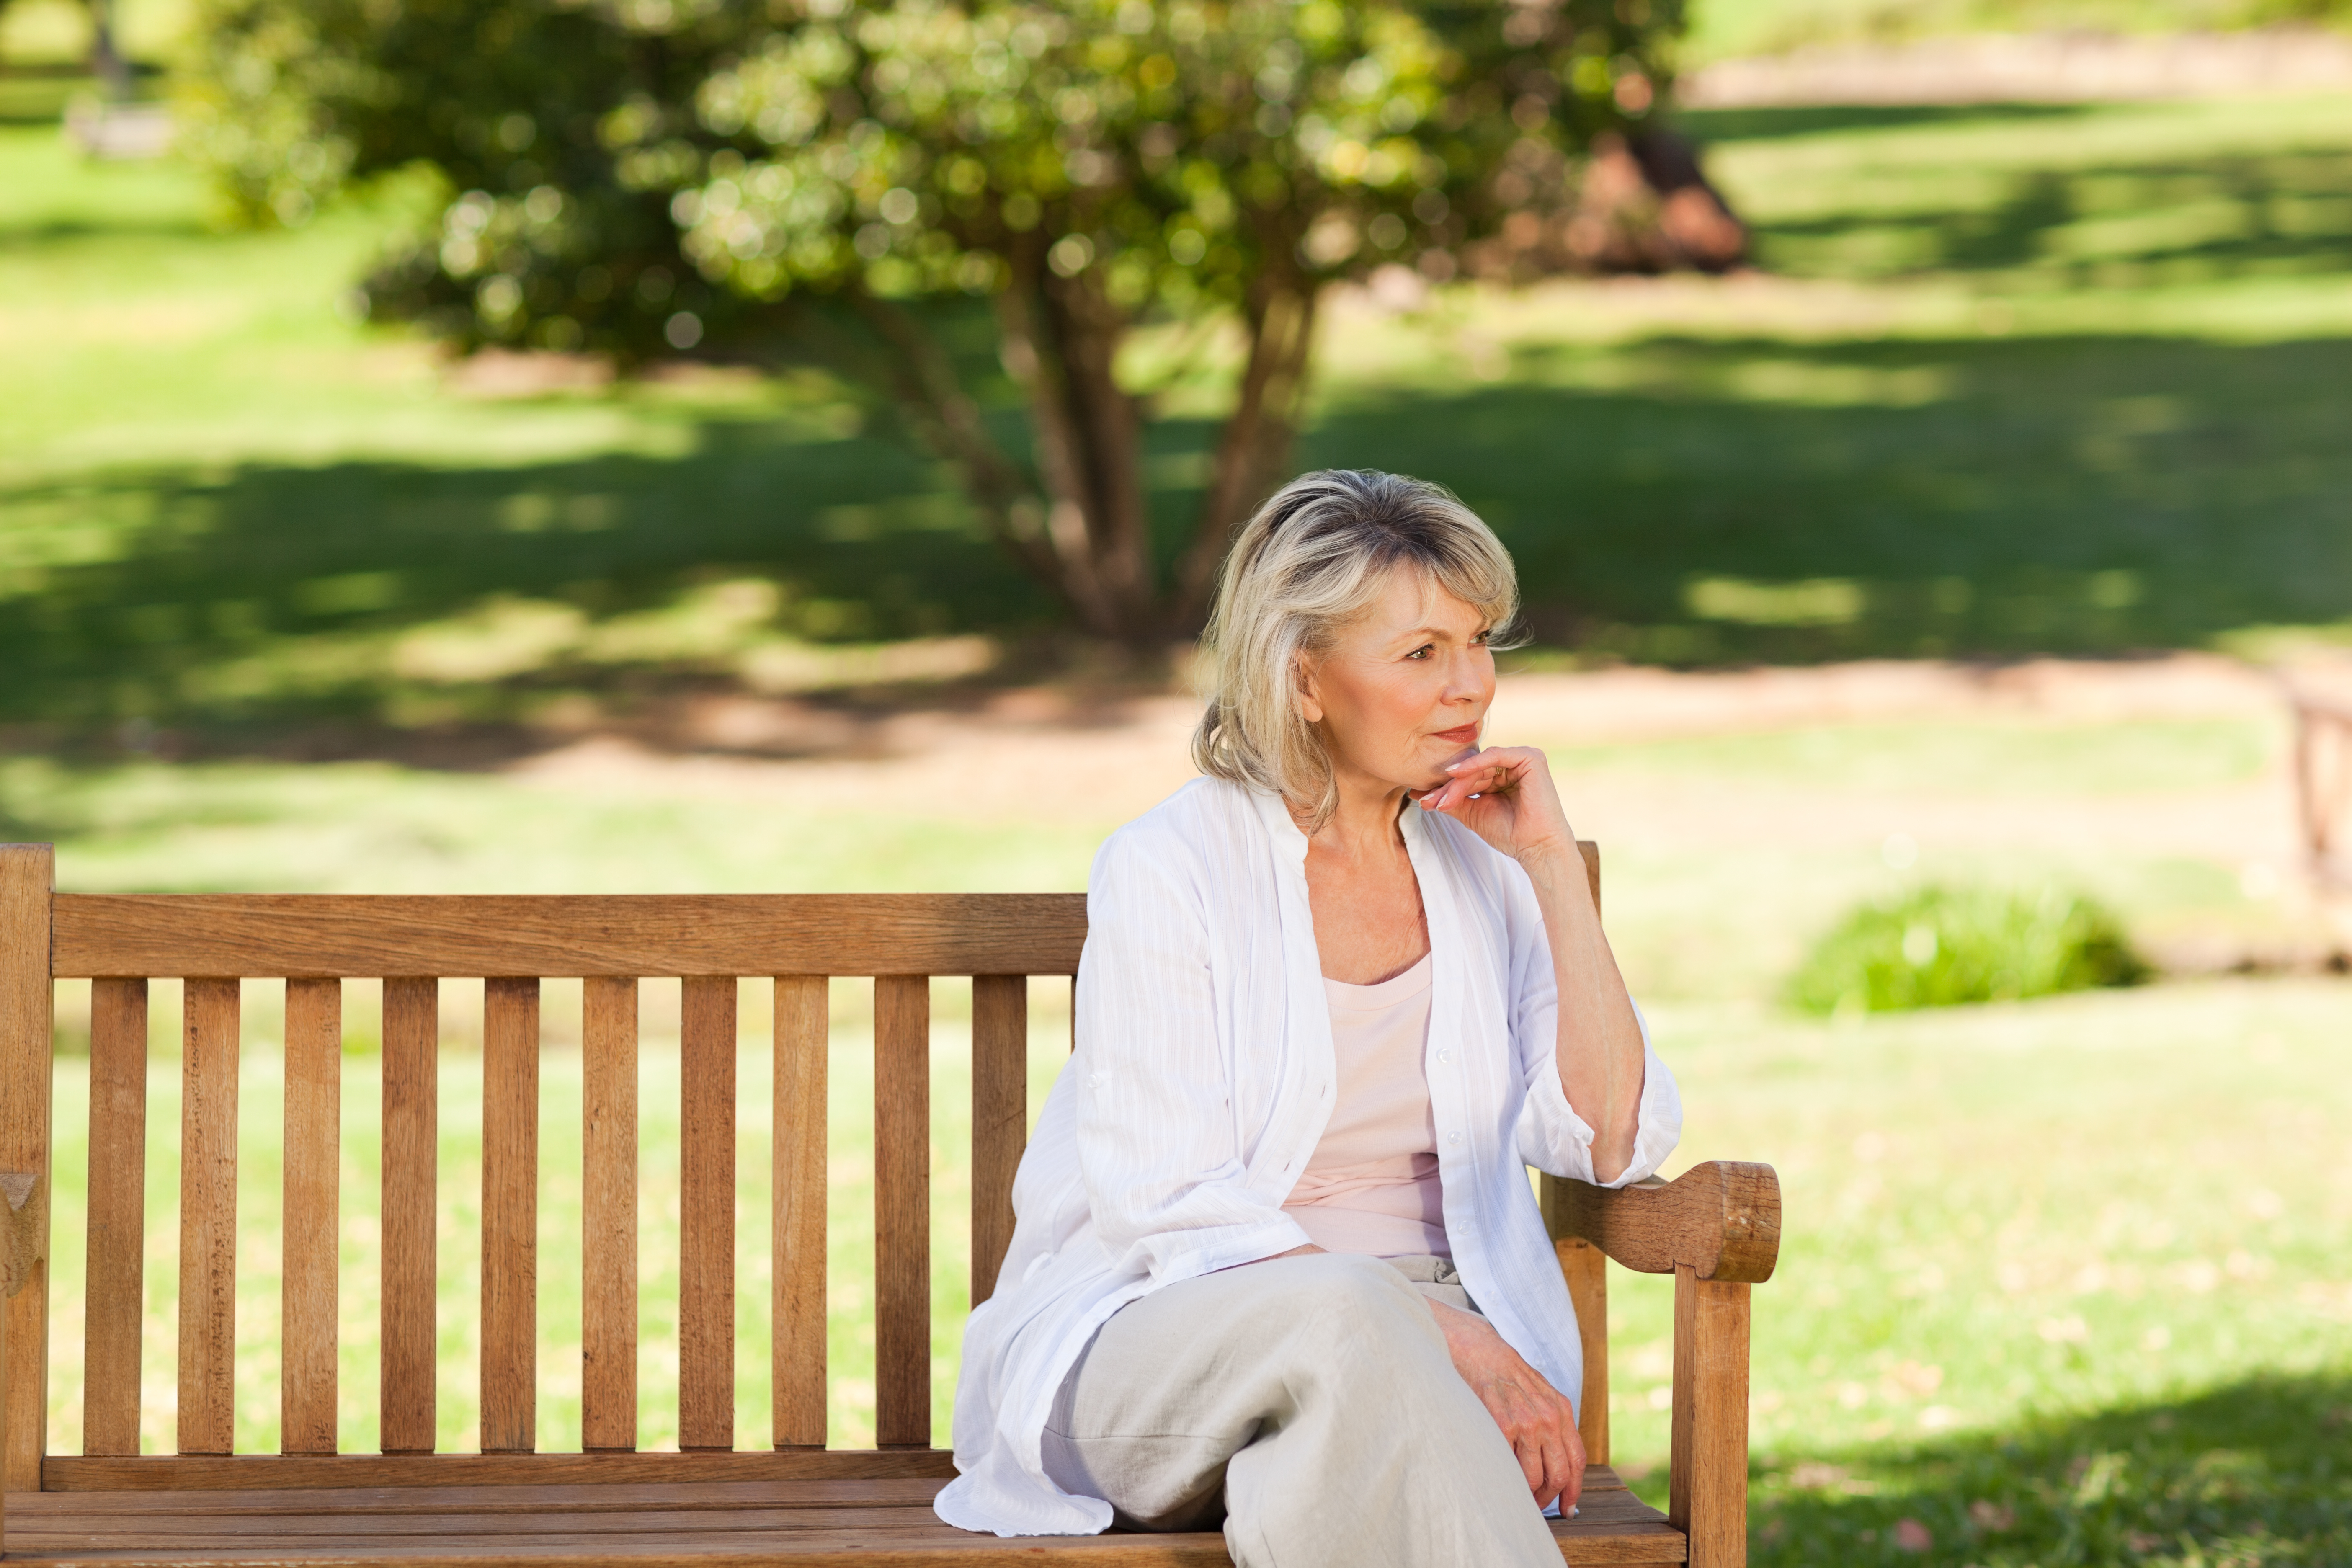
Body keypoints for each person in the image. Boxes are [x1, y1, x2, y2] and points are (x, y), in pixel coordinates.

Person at [936, 469, 1682, 1565]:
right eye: (1422, 653)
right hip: (1163, 1337)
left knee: (1324, 1469)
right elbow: (1169, 1201)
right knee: (1346, 1317)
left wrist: (1553, 871)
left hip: (1426, 1341)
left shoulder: (1489, 868)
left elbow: (1610, 1138)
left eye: (1481, 643)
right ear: (1305, 679)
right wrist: (1450, 1344)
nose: (1470, 686)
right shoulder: (1169, 866)